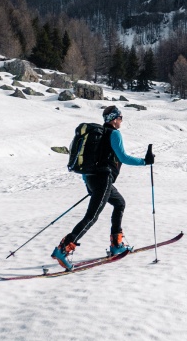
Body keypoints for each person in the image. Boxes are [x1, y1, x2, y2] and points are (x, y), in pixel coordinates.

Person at [52, 105, 155, 270]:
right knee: (91, 217)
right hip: (103, 179)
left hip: (93, 179)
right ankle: (63, 249)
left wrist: (89, 184)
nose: (121, 121)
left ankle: (116, 244)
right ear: (114, 119)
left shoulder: (98, 136)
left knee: (119, 203)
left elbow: (88, 165)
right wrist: (145, 161)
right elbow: (123, 157)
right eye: (120, 118)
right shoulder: (114, 133)